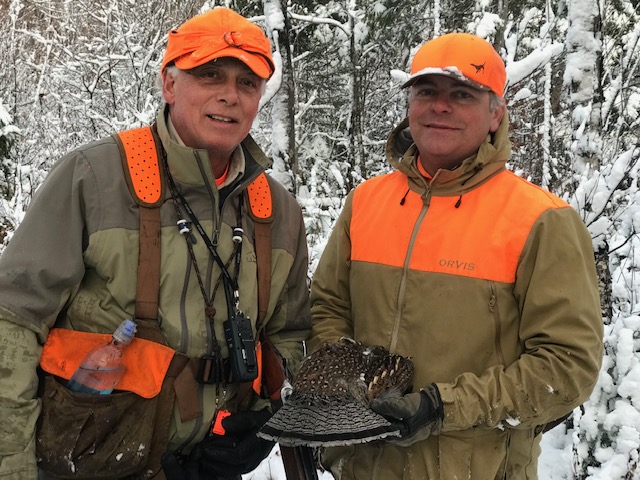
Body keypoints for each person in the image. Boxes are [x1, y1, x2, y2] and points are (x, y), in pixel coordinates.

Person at [0, 6, 310, 480]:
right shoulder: (96, 178)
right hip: (91, 461)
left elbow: (288, 336)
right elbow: (12, 320)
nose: (230, 96)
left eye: (247, 83)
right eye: (210, 75)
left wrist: (270, 419)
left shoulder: (279, 211)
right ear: (169, 85)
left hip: (210, 466)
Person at [308, 32, 604, 479]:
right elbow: (327, 303)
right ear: (410, 104)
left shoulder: (540, 220)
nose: (440, 106)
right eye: (426, 91)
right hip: (364, 467)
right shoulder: (367, 202)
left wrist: (439, 408)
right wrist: (352, 375)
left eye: (462, 94)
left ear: (495, 113)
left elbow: (567, 366)